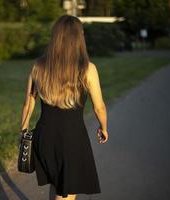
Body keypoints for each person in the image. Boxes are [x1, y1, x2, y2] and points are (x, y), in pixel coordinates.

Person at [19, 14, 109, 200]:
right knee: (66, 193)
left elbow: (29, 102)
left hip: (44, 138)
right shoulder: (87, 68)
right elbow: (99, 107)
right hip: (70, 139)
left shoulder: (39, 66)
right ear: (79, 37)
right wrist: (103, 127)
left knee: (58, 187)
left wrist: (23, 131)